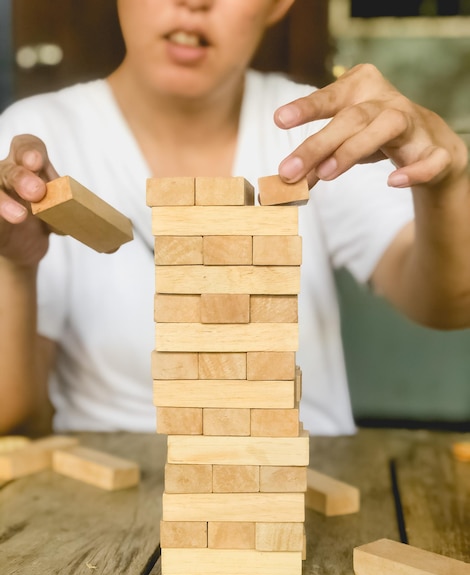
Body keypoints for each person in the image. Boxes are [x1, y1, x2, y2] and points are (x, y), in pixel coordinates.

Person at [0, 0, 469, 437]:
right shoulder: (39, 139)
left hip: (300, 465)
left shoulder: (322, 131)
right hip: (115, 473)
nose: (194, 2)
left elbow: (449, 305)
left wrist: (449, 181)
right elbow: (14, 414)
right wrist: (15, 266)